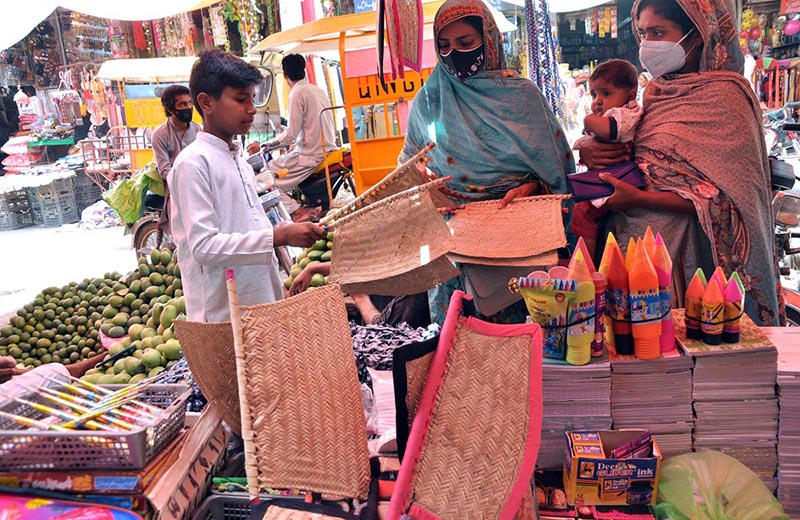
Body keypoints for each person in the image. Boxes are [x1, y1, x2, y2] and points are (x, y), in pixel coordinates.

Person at [578, 0, 781, 325]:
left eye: (659, 32)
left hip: (684, 261)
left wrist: (641, 198)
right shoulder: (657, 93)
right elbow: (630, 143)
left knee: (674, 353)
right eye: (643, 33)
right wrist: (590, 148)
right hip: (629, 250)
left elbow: (731, 200)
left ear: (699, 34)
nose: (648, 45)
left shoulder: (726, 99)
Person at [400, 0, 575, 325]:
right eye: (444, 46)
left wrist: (534, 187)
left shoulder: (522, 97)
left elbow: (559, 173)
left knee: (525, 345)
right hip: (454, 251)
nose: (455, 53)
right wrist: (422, 182)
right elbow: (409, 166)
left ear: (490, 40)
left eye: (466, 43)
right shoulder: (430, 99)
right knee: (461, 354)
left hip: (520, 244)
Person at [169, 50, 326, 323]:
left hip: (258, 307)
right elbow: (204, 246)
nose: (252, 108)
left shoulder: (240, 162)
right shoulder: (193, 164)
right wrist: (280, 236)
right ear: (206, 102)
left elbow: (252, 231)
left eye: (252, 99)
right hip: (224, 317)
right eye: (241, 99)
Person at [251, 54, 337, 223]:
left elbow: (291, 133)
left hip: (310, 154)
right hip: (325, 147)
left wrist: (266, 145)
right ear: (304, 70)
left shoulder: (297, 93)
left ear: (284, 75)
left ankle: (297, 211)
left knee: (262, 179)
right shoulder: (316, 89)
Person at [571, 59, 643, 260]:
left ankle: (585, 263)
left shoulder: (625, 113)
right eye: (594, 94)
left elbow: (610, 131)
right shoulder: (615, 112)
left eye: (606, 93)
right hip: (610, 175)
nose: (598, 100)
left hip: (618, 179)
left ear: (630, 94)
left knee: (583, 213)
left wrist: (588, 120)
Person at [289, 262, 431, 328]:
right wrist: (313, 268)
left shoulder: (417, 289)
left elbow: (384, 328)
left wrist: (359, 297)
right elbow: (366, 267)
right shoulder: (405, 264)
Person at [151, 85, 202, 233]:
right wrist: (185, 179)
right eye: (182, 104)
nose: (188, 107)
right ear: (171, 110)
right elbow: (164, 170)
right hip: (175, 188)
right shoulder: (160, 134)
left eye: (190, 103)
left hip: (200, 182)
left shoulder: (198, 129)